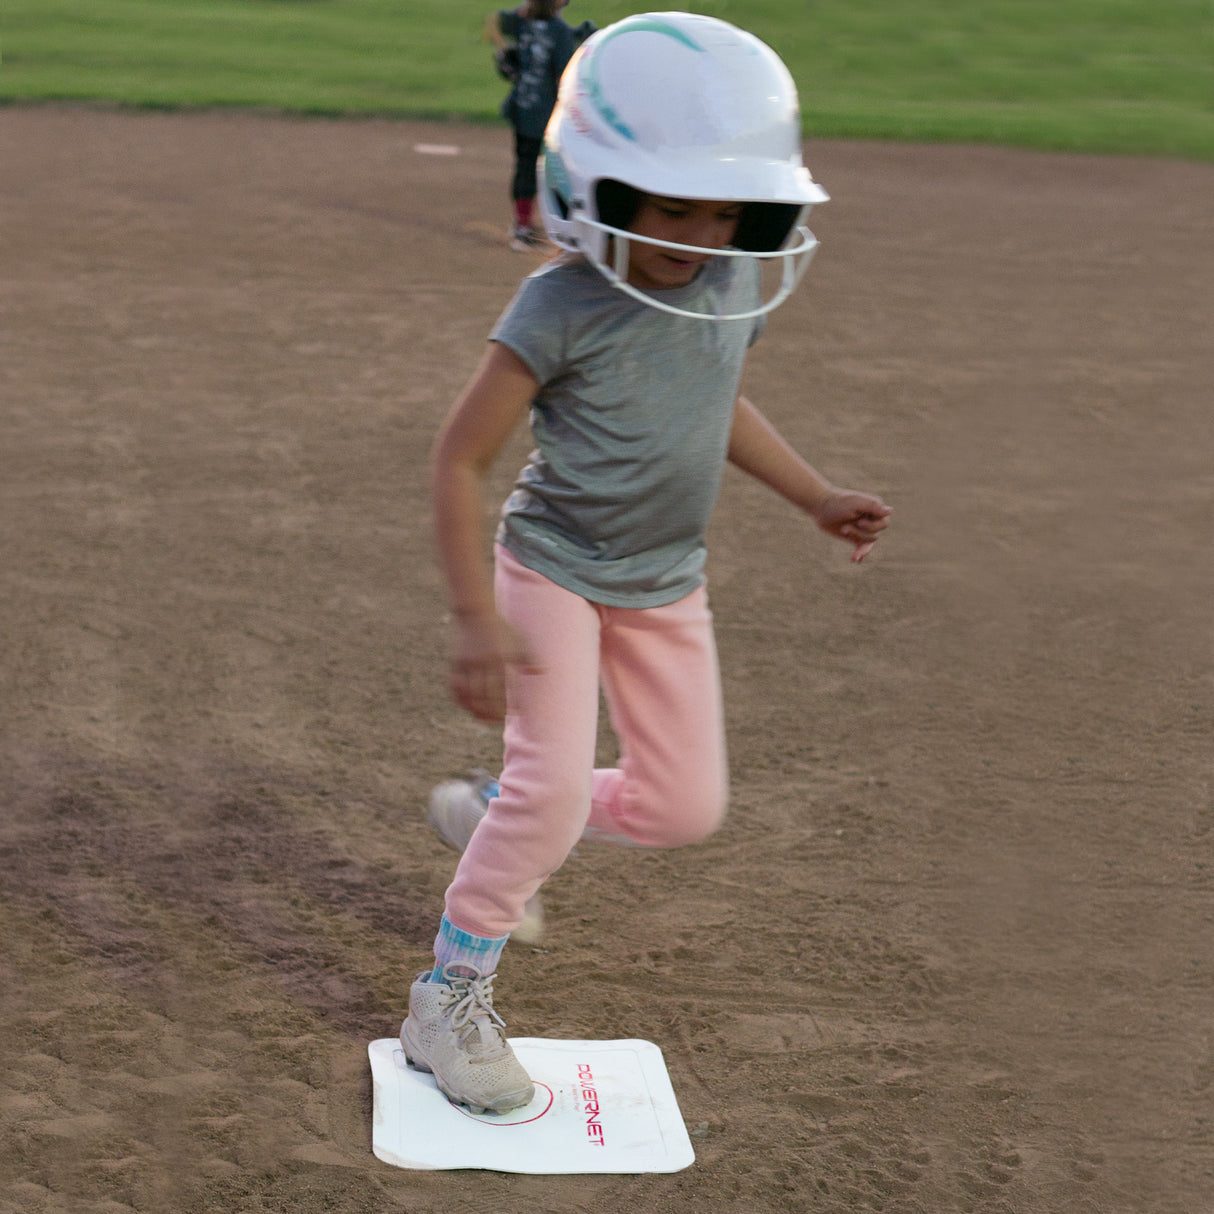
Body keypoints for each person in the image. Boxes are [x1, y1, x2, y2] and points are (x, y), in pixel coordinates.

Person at [401, 12, 892, 1115]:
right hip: (553, 572)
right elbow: (461, 457)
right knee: (551, 789)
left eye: (727, 206)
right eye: (672, 203)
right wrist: (474, 614)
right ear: (596, 187)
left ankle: (499, 807)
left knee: (680, 806)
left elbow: (713, 396)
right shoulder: (557, 303)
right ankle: (447, 993)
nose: (700, 229)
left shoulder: (726, 286)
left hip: (666, 581)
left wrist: (811, 493)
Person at [482, 0, 593, 250]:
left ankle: (521, 225)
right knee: (559, 169)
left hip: (520, 108)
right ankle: (555, 229)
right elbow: (566, 73)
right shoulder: (559, 31)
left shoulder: (522, 24)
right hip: (546, 115)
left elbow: (496, 20)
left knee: (524, 166)